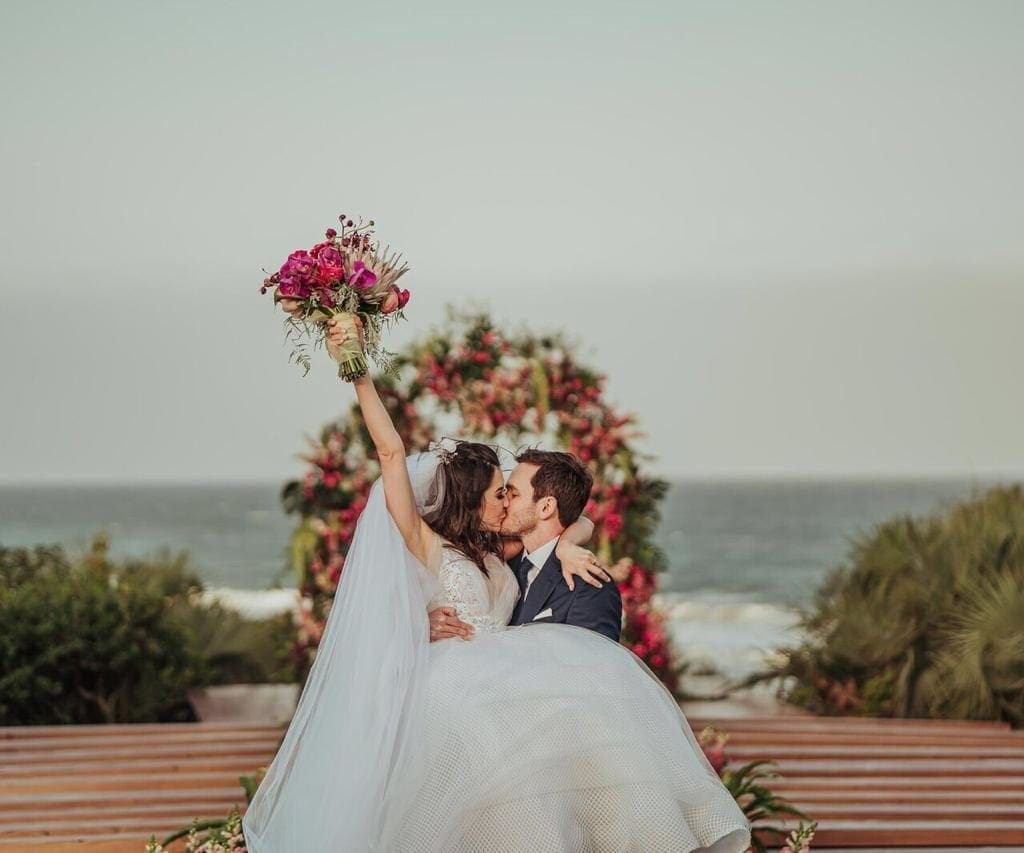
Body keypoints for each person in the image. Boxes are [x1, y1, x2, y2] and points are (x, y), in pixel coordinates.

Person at [242, 310, 751, 852]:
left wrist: (573, 540)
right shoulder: (427, 544)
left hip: (505, 701)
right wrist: (358, 370)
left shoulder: (495, 553)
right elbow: (390, 453)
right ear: (472, 500)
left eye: (511, 492)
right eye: (498, 492)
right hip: (457, 696)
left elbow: (562, 524)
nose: (505, 499)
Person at [428, 449, 623, 644]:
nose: (504, 503)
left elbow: (593, 668)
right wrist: (429, 624)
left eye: (513, 494)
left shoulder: (590, 589)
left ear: (546, 508)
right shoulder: (500, 562)